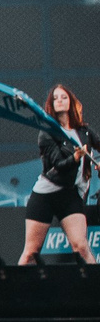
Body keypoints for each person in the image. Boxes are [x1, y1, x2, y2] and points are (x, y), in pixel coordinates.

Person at [23, 84, 98, 265]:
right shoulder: (48, 133)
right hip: (46, 195)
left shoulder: (83, 131)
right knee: (31, 251)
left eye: (63, 97)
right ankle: (11, 290)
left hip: (70, 195)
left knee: (81, 246)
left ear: (70, 102)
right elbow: (58, 165)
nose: (60, 101)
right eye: (55, 98)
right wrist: (75, 157)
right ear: (51, 105)